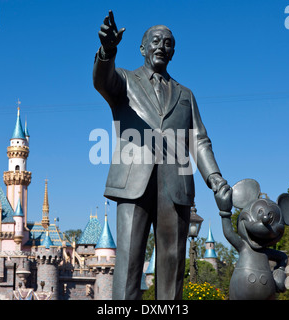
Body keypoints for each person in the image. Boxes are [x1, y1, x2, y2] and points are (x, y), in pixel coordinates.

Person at [93, 10, 232, 300]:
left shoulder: (185, 95)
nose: (161, 46)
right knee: (129, 263)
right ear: (142, 48)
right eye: (155, 41)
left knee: (172, 264)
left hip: (176, 186)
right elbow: (102, 81)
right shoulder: (125, 81)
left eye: (168, 43)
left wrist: (215, 179)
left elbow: (199, 141)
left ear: (174, 52)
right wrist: (107, 51)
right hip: (133, 184)